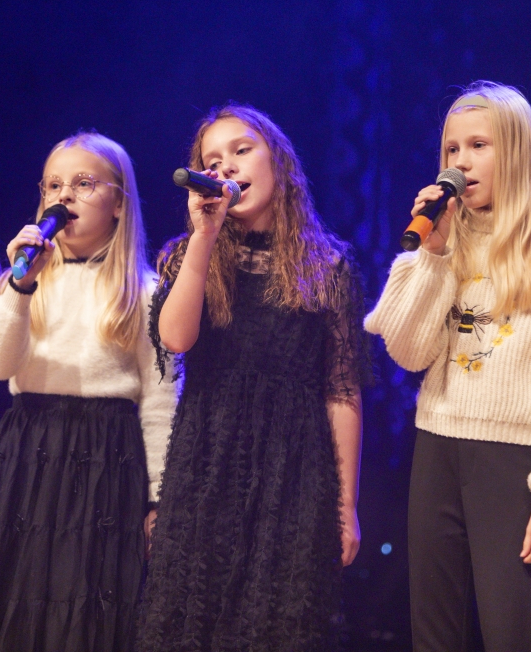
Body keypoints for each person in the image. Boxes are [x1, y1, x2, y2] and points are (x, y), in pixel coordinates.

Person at [365, 81, 531, 651]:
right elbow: (407, 351)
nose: (462, 161)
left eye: (478, 145)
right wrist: (431, 256)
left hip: (514, 461)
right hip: (438, 447)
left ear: (516, 153)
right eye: (452, 149)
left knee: (510, 632)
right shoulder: (442, 241)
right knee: (433, 632)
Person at [136, 105, 367, 652]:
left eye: (242, 150)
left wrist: (346, 507)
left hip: (294, 473)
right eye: (213, 160)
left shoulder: (327, 268)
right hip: (206, 465)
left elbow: (341, 391)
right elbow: (175, 338)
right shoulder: (188, 254)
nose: (228, 167)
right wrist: (204, 235)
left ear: (277, 161)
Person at [0, 132, 178, 652]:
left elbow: (160, 403)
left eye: (83, 183)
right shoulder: (23, 282)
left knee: (80, 608)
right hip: (27, 452)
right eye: (53, 185)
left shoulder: (144, 293)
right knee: (9, 601)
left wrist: (158, 498)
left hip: (103, 461)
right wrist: (20, 287)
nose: (64, 195)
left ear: (119, 203)